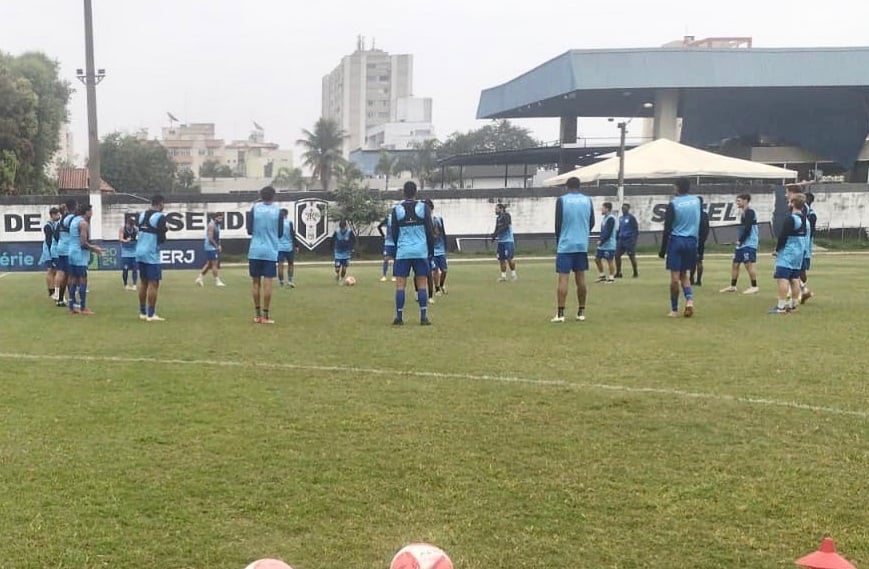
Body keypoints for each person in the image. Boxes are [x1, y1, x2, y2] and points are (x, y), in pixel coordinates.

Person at [390, 181, 435, 325]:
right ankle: (423, 317)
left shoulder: (397, 209)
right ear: (416, 192)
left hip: (403, 252)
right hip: (420, 251)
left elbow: (394, 233)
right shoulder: (424, 208)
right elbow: (430, 231)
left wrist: (399, 247)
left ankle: (399, 317)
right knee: (422, 284)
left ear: (403, 192)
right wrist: (430, 252)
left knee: (400, 285)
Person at [552, 177, 595, 322]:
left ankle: (560, 313)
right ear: (579, 186)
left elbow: (558, 224)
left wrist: (559, 240)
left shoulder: (562, 200)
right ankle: (581, 311)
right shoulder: (587, 200)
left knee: (563, 279)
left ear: (566, 187)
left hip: (565, 244)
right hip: (581, 245)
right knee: (581, 279)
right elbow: (592, 222)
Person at [658, 177, 701, 318]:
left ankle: (674, 309)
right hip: (691, 241)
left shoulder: (674, 204)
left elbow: (667, 228)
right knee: (684, 274)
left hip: (677, 241)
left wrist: (663, 249)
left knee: (675, 277)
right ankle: (689, 301)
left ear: (677, 187)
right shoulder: (696, 201)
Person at [247, 185, 282, 324]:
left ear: (261, 195)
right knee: (268, 284)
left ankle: (257, 315)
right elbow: (279, 233)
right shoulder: (278, 211)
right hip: (270, 251)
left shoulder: (254, 209)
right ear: (273, 196)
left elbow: (249, 230)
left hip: (255, 250)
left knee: (256, 283)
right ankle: (266, 316)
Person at [770, 192, 807, 314]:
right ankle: (793, 305)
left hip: (788, 251)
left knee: (783, 278)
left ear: (793, 203)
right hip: (799, 252)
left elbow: (783, 236)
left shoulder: (791, 219)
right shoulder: (804, 219)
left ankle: (780, 307)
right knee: (794, 278)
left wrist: (777, 249)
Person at [136, 194, 168, 322]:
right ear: (160, 204)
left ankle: (143, 312)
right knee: (153, 283)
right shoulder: (160, 217)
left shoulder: (142, 215)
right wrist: (166, 229)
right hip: (150, 253)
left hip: (139, 251)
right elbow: (161, 239)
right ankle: (151, 314)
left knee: (143, 282)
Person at [67, 203, 103, 315]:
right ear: (86, 212)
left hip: (71, 251)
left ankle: (72, 306)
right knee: (83, 279)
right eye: (91, 211)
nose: (92, 213)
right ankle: (83, 308)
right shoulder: (83, 223)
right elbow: (83, 243)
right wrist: (94, 249)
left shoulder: (74, 221)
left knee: (73, 278)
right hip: (79, 254)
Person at [719, 193, 760, 294]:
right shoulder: (743, 213)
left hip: (749, 243)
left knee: (748, 264)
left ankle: (754, 286)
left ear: (745, 200)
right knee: (735, 264)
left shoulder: (750, 212)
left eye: (739, 200)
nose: (737, 203)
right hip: (742, 243)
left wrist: (740, 240)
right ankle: (733, 286)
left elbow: (748, 228)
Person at [53, 199, 78, 307]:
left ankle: (60, 299)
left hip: (61, 248)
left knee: (64, 274)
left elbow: (56, 235)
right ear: (75, 206)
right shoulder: (72, 218)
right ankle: (72, 300)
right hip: (68, 249)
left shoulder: (61, 220)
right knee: (71, 275)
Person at [196, 212, 226, 287]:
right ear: (215, 218)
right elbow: (210, 238)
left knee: (209, 264)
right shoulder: (211, 225)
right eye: (219, 218)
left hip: (213, 246)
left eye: (221, 218)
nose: (221, 219)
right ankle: (217, 281)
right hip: (210, 246)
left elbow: (217, 236)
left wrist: (219, 244)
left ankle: (200, 278)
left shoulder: (218, 224)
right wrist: (217, 246)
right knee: (214, 264)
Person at [491, 203, 517, 282]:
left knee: (509, 258)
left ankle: (513, 274)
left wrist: (497, 232)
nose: (495, 210)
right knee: (501, 259)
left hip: (508, 241)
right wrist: (494, 236)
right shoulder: (498, 218)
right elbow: (497, 228)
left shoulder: (507, 216)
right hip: (501, 241)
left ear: (501, 209)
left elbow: (506, 226)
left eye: (496, 209)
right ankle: (503, 276)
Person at [799, 191, 817, 303]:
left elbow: (810, 231)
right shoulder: (802, 213)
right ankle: (802, 290)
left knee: (800, 270)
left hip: (804, 244)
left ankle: (803, 290)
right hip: (802, 244)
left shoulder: (811, 214)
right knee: (799, 270)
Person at [40, 207, 60, 299]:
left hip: (53, 249)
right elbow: (48, 241)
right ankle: (51, 291)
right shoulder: (48, 226)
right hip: (49, 250)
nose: (59, 216)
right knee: (50, 270)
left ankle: (54, 291)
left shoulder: (55, 224)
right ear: (52, 215)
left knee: (55, 271)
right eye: (57, 214)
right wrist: (51, 255)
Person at [594, 202, 617, 283]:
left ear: (607, 209)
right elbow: (603, 231)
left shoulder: (611, 218)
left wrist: (602, 240)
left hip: (609, 244)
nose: (602, 209)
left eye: (603, 208)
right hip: (603, 244)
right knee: (597, 259)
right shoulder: (604, 218)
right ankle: (602, 275)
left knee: (609, 260)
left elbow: (609, 232)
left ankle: (611, 278)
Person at [429, 201, 449, 296]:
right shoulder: (425, 221)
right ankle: (437, 289)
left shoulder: (438, 219)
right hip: (432, 251)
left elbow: (443, 233)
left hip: (441, 249)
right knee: (435, 270)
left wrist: (446, 246)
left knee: (444, 270)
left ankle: (441, 285)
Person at [614, 203, 639, 278]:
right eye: (622, 208)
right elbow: (620, 228)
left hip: (629, 240)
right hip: (621, 239)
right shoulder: (621, 218)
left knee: (631, 256)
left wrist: (633, 240)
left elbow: (635, 229)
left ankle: (635, 272)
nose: (623, 210)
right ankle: (618, 272)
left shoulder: (631, 218)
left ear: (628, 209)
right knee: (617, 255)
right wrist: (617, 237)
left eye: (624, 208)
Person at [330, 219, 356, 284]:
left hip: (346, 252)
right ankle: (337, 274)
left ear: (345, 227)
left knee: (344, 268)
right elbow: (332, 240)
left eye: (343, 228)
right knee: (337, 268)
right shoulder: (337, 231)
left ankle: (341, 279)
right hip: (338, 252)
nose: (342, 230)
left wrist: (352, 248)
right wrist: (332, 248)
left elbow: (354, 240)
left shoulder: (349, 232)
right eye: (341, 228)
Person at [689, 208, 710, 286]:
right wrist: (704, 239)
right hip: (701, 240)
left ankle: (691, 278)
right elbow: (707, 228)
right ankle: (699, 280)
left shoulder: (693, 214)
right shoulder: (704, 215)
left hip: (693, 239)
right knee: (699, 260)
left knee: (692, 260)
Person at [277, 208, 296, 288]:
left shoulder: (277, 224)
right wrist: (296, 245)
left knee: (280, 265)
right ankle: (290, 281)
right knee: (290, 264)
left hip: (279, 247)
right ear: (286, 215)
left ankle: (281, 282)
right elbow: (293, 234)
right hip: (289, 247)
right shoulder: (290, 223)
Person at [119, 215, 139, 290]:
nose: (130, 227)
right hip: (125, 253)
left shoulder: (136, 229)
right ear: (127, 223)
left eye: (131, 225)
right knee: (125, 269)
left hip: (134, 252)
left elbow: (139, 238)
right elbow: (120, 239)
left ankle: (134, 284)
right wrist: (126, 241)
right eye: (129, 225)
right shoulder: (122, 229)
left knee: (135, 269)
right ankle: (125, 284)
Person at [377, 214, 396, 282]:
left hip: (396, 242)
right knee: (386, 259)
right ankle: (384, 276)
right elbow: (379, 226)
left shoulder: (400, 218)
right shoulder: (388, 219)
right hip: (388, 242)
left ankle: (394, 276)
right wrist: (383, 235)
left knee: (396, 260)